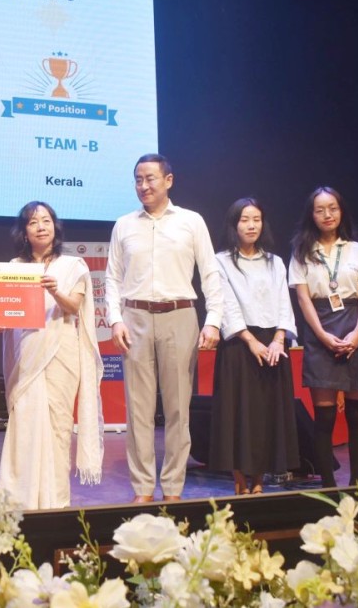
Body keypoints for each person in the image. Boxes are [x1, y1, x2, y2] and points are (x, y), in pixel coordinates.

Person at [105, 153, 224, 502]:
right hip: (135, 318)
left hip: (180, 316)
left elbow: (210, 273)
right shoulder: (124, 224)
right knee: (138, 410)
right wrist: (115, 319)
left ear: (168, 180)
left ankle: (173, 487)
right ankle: (142, 488)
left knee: (177, 410)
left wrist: (214, 319)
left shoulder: (191, 221)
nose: (143, 186)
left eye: (150, 178)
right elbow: (112, 277)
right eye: (138, 179)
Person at [0, 201, 104, 509]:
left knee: (58, 426)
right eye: (33, 222)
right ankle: (18, 499)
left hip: (61, 353)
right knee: (23, 424)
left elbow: (74, 308)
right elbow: (9, 312)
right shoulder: (15, 267)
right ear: (24, 231)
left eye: (46, 220)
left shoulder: (74, 266)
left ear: (55, 226)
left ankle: (55, 501)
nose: (41, 226)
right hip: (26, 352)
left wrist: (55, 290)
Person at [289, 186, 358, 487]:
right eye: (320, 209)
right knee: (325, 418)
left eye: (333, 208)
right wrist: (321, 335)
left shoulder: (357, 250)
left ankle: (357, 485)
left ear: (341, 211)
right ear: (311, 215)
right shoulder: (302, 252)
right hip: (321, 330)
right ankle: (328, 487)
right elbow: (304, 300)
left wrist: (357, 333)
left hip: (356, 327)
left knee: (357, 416)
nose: (327, 214)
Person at [208, 198, 299, 495]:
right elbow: (226, 305)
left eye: (256, 219)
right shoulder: (220, 261)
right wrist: (250, 341)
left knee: (265, 415)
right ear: (234, 224)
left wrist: (278, 339)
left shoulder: (275, 262)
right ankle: (240, 481)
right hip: (239, 345)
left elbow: (284, 303)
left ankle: (259, 480)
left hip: (273, 345)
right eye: (245, 219)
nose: (251, 225)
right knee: (238, 414)